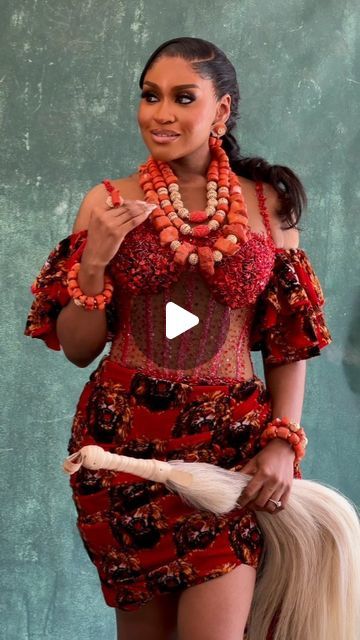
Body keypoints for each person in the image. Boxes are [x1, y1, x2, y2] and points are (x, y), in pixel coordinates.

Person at [24, 38, 333, 640]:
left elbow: (288, 341)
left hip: (230, 454)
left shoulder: (267, 207)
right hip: (123, 448)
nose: (161, 113)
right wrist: (94, 268)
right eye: (150, 96)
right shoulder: (107, 201)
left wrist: (283, 441)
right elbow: (80, 347)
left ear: (221, 111)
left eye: (182, 98)